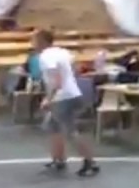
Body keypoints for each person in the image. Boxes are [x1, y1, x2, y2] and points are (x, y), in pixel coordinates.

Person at [34, 29, 99, 176]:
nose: (32, 44)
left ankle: (90, 162)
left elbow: (57, 81)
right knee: (53, 127)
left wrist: (48, 99)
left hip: (62, 97)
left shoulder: (45, 57)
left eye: (34, 40)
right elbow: (75, 68)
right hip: (71, 93)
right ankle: (58, 160)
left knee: (70, 131)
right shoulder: (62, 52)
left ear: (41, 41)